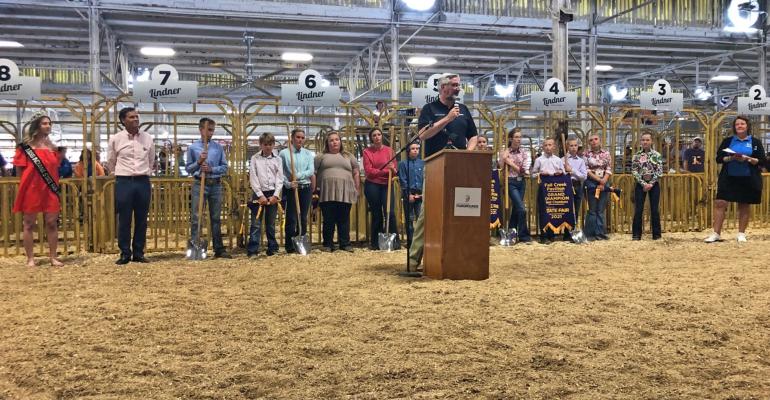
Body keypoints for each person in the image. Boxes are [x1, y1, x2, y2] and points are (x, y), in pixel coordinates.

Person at [409, 73, 478, 267]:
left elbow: (473, 135)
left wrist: (469, 151)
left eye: (458, 85)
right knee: (427, 212)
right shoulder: (429, 109)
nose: (458, 89)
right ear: (443, 88)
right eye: (454, 85)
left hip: (459, 167)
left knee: (461, 211)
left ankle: (459, 255)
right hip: (434, 168)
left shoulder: (463, 109)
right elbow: (422, 135)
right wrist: (447, 119)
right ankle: (414, 259)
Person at [705, 116, 766, 243]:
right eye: (737, 124)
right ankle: (716, 233)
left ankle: (741, 233)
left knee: (744, 204)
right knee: (720, 203)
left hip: (748, 177)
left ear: (747, 126)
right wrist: (731, 158)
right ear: (734, 127)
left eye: (742, 124)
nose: (739, 126)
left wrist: (748, 158)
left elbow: (762, 161)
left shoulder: (755, 142)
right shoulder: (727, 141)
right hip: (728, 177)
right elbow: (719, 158)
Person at [13, 113, 63, 267]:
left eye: (49, 123)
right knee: (28, 223)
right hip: (31, 189)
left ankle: (53, 257)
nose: (48, 126)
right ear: (36, 126)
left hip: (49, 189)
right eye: (44, 123)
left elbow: (56, 169)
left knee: (52, 223)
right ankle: (30, 258)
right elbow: (19, 171)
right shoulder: (25, 148)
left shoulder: (54, 148)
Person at [107, 107, 155, 265]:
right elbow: (111, 160)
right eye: (131, 117)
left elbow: (151, 159)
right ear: (123, 120)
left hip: (143, 181)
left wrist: (145, 172)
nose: (136, 119)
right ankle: (125, 253)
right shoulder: (116, 138)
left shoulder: (147, 138)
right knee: (124, 219)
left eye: (137, 116)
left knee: (142, 219)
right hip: (124, 181)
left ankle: (139, 252)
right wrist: (118, 174)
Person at [186, 117, 231, 259]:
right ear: (201, 130)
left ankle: (219, 249)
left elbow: (224, 167)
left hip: (215, 184)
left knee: (216, 218)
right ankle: (195, 247)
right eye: (208, 129)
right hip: (200, 183)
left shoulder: (218, 148)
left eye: (212, 130)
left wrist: (212, 169)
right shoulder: (193, 148)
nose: (211, 133)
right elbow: (189, 169)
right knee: (196, 217)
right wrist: (198, 162)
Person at [314, 131, 360, 252]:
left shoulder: (349, 156)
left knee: (344, 219)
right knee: (328, 219)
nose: (334, 142)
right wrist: (314, 190)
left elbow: (356, 172)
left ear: (340, 141)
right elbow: (313, 173)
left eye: (337, 139)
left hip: (345, 191)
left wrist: (357, 188)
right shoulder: (320, 156)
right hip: (326, 192)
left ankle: (345, 243)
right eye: (331, 140)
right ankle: (328, 244)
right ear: (327, 143)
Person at [279, 128, 315, 254]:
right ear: (292, 138)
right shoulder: (284, 153)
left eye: (302, 137)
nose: (300, 139)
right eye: (297, 137)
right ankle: (289, 245)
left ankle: (301, 240)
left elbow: (310, 171)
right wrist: (288, 183)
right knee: (291, 218)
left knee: (303, 217)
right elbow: (281, 172)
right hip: (291, 189)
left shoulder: (308, 154)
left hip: (305, 188)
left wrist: (297, 176)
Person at [363, 127, 399, 250]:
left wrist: (392, 169)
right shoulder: (367, 152)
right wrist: (385, 171)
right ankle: (376, 243)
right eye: (374, 135)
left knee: (390, 213)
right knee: (377, 213)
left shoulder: (390, 151)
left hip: (387, 184)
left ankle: (394, 242)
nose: (377, 137)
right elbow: (369, 172)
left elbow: (395, 171)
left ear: (382, 136)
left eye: (379, 134)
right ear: (371, 138)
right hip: (372, 184)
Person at [247, 133, 283, 257]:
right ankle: (253, 249)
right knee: (256, 223)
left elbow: (280, 178)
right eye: (265, 144)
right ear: (260, 144)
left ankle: (272, 248)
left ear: (274, 145)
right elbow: (253, 176)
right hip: (258, 193)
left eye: (270, 144)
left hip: (273, 193)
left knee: (271, 223)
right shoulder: (255, 158)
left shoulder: (278, 159)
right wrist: (259, 194)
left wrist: (276, 195)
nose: (268, 147)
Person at [531, 138, 568, 244]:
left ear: (554, 147)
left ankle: (552, 235)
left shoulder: (558, 160)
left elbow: (564, 174)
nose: (548, 147)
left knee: (554, 212)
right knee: (544, 212)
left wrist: (560, 172)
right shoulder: (539, 160)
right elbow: (533, 174)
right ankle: (543, 236)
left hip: (556, 191)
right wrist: (540, 174)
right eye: (546, 145)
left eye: (550, 145)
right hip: (544, 190)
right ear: (543, 147)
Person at [498, 127, 532, 243]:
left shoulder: (525, 152)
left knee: (517, 209)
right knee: (522, 209)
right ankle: (524, 236)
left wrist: (510, 163)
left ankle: (512, 233)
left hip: (521, 182)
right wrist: (504, 158)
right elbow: (501, 167)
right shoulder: (504, 152)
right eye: (516, 137)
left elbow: (525, 170)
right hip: (510, 182)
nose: (519, 139)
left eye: (520, 137)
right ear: (511, 138)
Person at [631, 133, 663, 240]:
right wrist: (643, 183)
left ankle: (657, 235)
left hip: (654, 184)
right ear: (640, 141)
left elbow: (659, 171)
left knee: (654, 209)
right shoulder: (636, 156)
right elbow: (634, 171)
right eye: (643, 140)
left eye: (647, 140)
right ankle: (636, 235)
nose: (645, 142)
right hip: (640, 185)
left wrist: (651, 183)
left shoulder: (657, 155)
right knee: (638, 209)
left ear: (651, 141)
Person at [583, 134, 613, 241]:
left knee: (600, 209)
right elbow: (586, 169)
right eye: (591, 140)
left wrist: (604, 180)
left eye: (596, 139)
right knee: (592, 209)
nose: (594, 141)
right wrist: (598, 180)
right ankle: (590, 234)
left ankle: (600, 233)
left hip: (604, 181)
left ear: (600, 140)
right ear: (588, 143)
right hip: (591, 182)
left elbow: (609, 168)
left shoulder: (606, 153)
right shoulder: (586, 154)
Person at [398, 142, 424, 249]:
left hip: (421, 194)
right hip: (409, 194)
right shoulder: (403, 164)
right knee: (409, 219)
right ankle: (410, 242)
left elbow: (425, 178)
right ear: (408, 150)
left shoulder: (423, 163)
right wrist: (408, 194)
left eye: (417, 148)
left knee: (420, 218)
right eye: (413, 148)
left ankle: (420, 242)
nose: (415, 150)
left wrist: (423, 194)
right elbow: (403, 180)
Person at [563, 137, 587, 241]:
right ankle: (566, 233)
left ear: (578, 147)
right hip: (566, 185)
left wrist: (572, 170)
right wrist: (566, 171)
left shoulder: (581, 161)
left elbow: (584, 176)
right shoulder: (562, 160)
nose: (573, 148)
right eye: (571, 145)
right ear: (567, 146)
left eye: (575, 145)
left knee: (576, 209)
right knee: (567, 209)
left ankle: (573, 231)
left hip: (578, 185)